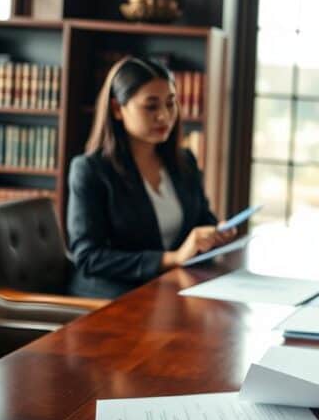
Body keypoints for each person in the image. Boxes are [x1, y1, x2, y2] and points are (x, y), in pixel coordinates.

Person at [67, 56, 236, 298]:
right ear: (117, 109)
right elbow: (88, 257)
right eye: (151, 106)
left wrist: (216, 233)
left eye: (171, 104)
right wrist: (173, 258)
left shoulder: (184, 161)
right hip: (112, 297)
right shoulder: (90, 170)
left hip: (170, 288)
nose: (165, 117)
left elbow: (202, 219)